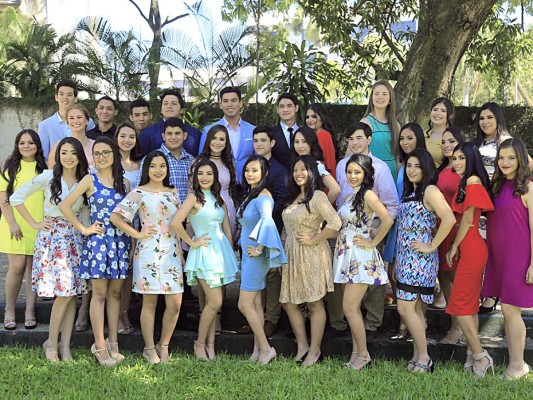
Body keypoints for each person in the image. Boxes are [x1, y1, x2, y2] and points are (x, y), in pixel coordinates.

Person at [10, 137, 89, 361]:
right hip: (53, 239)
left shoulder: (84, 179)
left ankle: (65, 346)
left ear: (79, 156)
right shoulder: (48, 176)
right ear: (58, 155)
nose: (68, 157)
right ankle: (51, 344)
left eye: (73, 153)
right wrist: (35, 223)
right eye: (64, 152)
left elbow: (83, 212)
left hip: (75, 239)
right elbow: (17, 198)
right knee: (63, 293)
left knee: (72, 295)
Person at [59, 136, 130, 367]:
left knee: (116, 295)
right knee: (98, 295)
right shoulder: (90, 179)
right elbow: (64, 205)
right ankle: (99, 346)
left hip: (120, 242)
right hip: (99, 243)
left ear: (114, 154)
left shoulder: (124, 183)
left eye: (106, 152)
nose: (101, 157)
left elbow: (128, 217)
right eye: (97, 153)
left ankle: (113, 343)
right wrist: (84, 228)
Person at [111, 150, 182, 364]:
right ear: (146, 169)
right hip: (149, 253)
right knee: (149, 303)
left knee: (175, 303)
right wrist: (138, 234)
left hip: (172, 252)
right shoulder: (139, 192)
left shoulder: (173, 192)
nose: (158, 170)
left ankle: (164, 345)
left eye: (162, 166)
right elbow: (116, 217)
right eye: (153, 166)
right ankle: (149, 348)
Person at [336, 121, 398, 340]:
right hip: (346, 244)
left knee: (370, 290)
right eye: (351, 139)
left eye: (359, 138)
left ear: (369, 139)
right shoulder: (342, 165)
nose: (355, 142)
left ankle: (371, 328)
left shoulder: (379, 168)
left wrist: (372, 236)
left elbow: (390, 208)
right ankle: (357, 344)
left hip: (366, 237)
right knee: (350, 305)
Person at [172, 158, 238, 361]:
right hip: (203, 253)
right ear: (194, 177)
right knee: (215, 302)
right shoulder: (193, 198)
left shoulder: (218, 198)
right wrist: (191, 243)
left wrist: (231, 251)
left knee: (209, 303)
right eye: (200, 174)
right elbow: (175, 222)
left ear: (215, 177)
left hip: (220, 253)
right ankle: (199, 343)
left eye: (209, 173)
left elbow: (226, 226)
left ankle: (210, 345)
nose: (205, 177)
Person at [395, 148, 455, 373]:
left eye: (417, 166)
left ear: (427, 168)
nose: (411, 170)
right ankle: (417, 356)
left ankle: (425, 357)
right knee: (416, 310)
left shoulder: (429, 190)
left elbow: (448, 218)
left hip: (420, 262)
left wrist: (432, 246)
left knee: (405, 308)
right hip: (405, 261)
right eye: (409, 165)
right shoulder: (411, 191)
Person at [333, 154, 393, 370]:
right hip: (347, 255)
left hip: (360, 257)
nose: (352, 176)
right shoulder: (352, 196)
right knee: (351, 308)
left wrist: (373, 241)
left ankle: (364, 354)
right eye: (349, 172)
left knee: (349, 307)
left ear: (366, 174)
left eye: (357, 172)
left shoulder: (368, 195)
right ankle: (356, 353)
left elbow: (387, 219)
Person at [280, 155, 342, 366]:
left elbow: (335, 223)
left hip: (311, 254)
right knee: (289, 302)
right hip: (290, 255)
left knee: (314, 303)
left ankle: (315, 351)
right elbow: (285, 229)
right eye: (296, 169)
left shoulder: (317, 196)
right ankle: (302, 345)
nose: (299, 173)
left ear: (312, 172)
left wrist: (315, 238)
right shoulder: (293, 197)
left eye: (303, 169)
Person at [482, 138, 533, 379]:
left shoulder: (529, 188)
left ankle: (517, 366)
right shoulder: (496, 185)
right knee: (506, 311)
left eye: (511, 157)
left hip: (519, 256)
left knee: (512, 311)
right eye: (501, 157)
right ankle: (517, 364)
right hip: (498, 256)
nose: (505, 162)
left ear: (521, 159)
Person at [445, 142, 494, 377]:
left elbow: (467, 219)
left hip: (472, 246)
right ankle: (470, 356)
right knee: (469, 305)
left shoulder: (473, 182)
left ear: (472, 158)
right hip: (469, 247)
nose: (457, 162)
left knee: (460, 305)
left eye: (462, 158)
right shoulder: (467, 182)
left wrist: (454, 246)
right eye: (455, 158)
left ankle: (480, 356)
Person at [237, 156, 287, 364]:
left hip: (254, 257)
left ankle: (266, 348)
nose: (250, 174)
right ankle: (258, 350)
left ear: (265, 173)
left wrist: (259, 248)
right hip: (248, 257)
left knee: (244, 304)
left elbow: (268, 221)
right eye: (247, 170)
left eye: (255, 170)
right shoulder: (252, 194)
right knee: (256, 303)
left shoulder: (264, 196)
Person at [1, 129, 47, 330]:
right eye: (22, 143)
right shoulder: (10, 166)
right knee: (17, 266)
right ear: (17, 145)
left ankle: (30, 311)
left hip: (38, 223)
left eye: (30, 142)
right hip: (15, 223)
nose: (26, 146)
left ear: (37, 145)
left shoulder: (44, 167)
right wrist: (12, 222)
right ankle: (9, 310)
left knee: (33, 269)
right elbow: (4, 199)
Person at [385, 122, 426, 339]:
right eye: (402, 138)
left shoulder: (424, 164)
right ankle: (404, 318)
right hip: (399, 223)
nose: (405, 142)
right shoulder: (402, 166)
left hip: (416, 227)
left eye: (410, 137)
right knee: (395, 270)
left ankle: (415, 322)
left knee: (415, 279)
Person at [252, 126, 289, 337]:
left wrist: (262, 216)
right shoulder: (251, 166)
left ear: (272, 143)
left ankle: (271, 319)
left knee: (273, 275)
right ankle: (256, 317)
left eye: (263, 140)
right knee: (257, 274)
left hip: (272, 228)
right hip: (252, 231)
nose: (259, 144)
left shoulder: (280, 170)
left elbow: (281, 200)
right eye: (255, 140)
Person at [436, 127, 466, 344]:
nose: (446, 145)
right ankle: (455, 322)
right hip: (439, 228)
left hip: (456, 227)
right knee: (444, 276)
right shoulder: (442, 169)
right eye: (444, 142)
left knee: (456, 277)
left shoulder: (464, 170)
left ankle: (460, 327)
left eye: (451, 141)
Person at [114, 122, 143, 335]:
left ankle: (123, 312)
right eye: (123, 135)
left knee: (127, 272)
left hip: (133, 221)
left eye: (131, 136)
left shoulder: (141, 164)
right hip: (111, 220)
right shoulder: (107, 160)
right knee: (113, 274)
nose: (127, 140)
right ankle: (111, 316)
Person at [199, 86, 255, 183]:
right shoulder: (209, 131)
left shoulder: (253, 130)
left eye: (233, 100)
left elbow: (258, 159)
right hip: (220, 187)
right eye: (225, 101)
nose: (229, 104)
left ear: (241, 103)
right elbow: (202, 160)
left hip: (248, 185)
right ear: (220, 105)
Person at [135, 118, 193, 207]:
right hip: (160, 215)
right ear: (163, 136)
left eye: (177, 133)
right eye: (169, 134)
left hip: (187, 216)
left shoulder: (191, 160)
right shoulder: (152, 159)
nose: (173, 137)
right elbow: (140, 188)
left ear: (184, 136)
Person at [194, 125, 238, 236]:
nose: (217, 142)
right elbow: (191, 190)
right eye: (214, 138)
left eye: (221, 139)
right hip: (204, 208)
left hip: (227, 207)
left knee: (227, 245)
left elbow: (233, 190)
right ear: (208, 139)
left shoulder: (229, 163)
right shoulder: (197, 162)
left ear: (226, 142)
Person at [38, 79, 95, 159]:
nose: (65, 97)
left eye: (69, 94)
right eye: (61, 94)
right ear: (56, 97)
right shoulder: (45, 125)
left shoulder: (88, 122)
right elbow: (44, 156)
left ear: (75, 98)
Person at [139, 89, 201, 157]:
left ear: (182, 110)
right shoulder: (147, 134)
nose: (169, 106)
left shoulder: (195, 135)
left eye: (173, 103)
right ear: (161, 109)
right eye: (165, 103)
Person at [359, 80, 400, 179]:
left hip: (392, 174)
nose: (380, 97)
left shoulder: (396, 125)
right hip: (373, 173)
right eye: (376, 93)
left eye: (384, 94)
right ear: (371, 98)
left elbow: (398, 156)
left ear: (390, 99)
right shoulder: (365, 122)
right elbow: (354, 151)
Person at [291, 126, 340, 204]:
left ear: (311, 142)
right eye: (296, 142)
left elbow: (335, 189)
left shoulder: (317, 166)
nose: (300, 146)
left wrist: (322, 209)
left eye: (304, 141)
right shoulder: (295, 163)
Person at [305, 103, 337, 174]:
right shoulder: (313, 135)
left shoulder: (323, 135)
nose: (310, 120)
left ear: (322, 118)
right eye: (307, 117)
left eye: (314, 116)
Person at [271, 93, 300, 170]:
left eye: (289, 106)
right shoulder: (271, 133)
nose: (285, 110)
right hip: (278, 179)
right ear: (277, 110)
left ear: (296, 108)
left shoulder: (304, 132)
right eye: (281, 106)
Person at [425, 97, 455, 167]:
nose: (437, 113)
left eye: (443, 111)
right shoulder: (423, 133)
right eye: (435, 110)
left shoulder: (452, 137)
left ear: (450, 115)